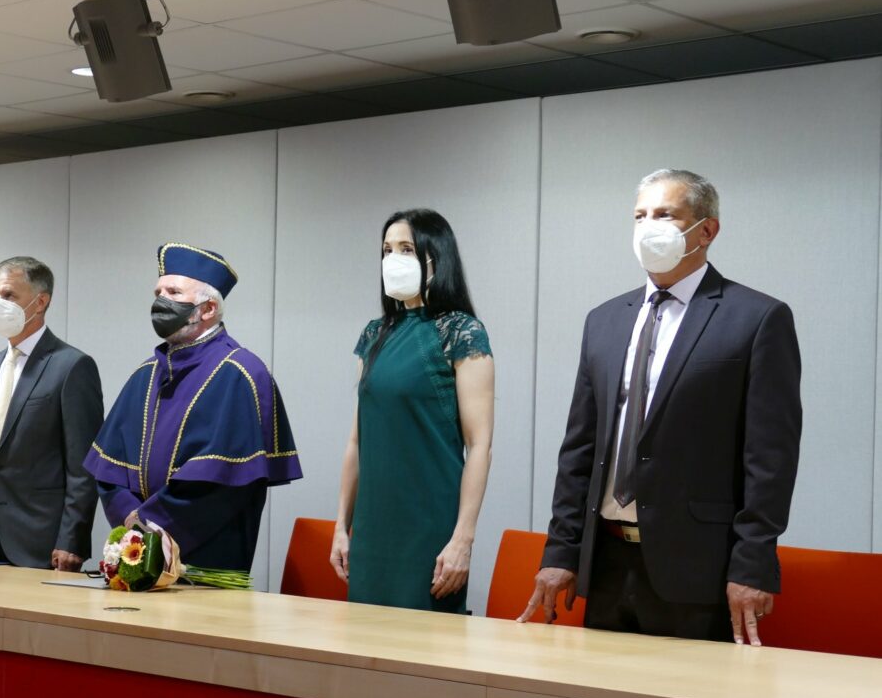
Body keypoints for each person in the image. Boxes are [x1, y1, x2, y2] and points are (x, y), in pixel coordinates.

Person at [520, 169, 802, 645]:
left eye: (665, 215)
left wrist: (752, 564)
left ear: (706, 230)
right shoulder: (604, 320)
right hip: (606, 562)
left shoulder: (756, 318)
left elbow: (770, 458)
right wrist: (561, 551)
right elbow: (579, 450)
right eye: (640, 216)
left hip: (698, 569)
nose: (649, 227)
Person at [84, 242, 302, 572]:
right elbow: (110, 470)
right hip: (136, 553)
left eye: (173, 292)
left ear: (208, 308)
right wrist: (132, 523)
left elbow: (225, 484)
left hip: (208, 559)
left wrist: (150, 527)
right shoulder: (146, 374)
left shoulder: (240, 373)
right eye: (158, 292)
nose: (161, 301)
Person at [329, 209, 495, 613]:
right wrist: (340, 526)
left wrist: (463, 538)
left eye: (406, 249)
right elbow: (356, 441)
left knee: (425, 642)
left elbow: (479, 445)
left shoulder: (461, 332)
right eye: (387, 250)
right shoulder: (375, 333)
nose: (393, 259)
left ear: (436, 258)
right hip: (372, 526)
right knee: (364, 639)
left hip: (430, 528)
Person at [0, 256, 103, 570]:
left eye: (9, 295)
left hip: (45, 543)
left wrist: (72, 540)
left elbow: (84, 466)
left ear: (40, 302)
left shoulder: (72, 366)